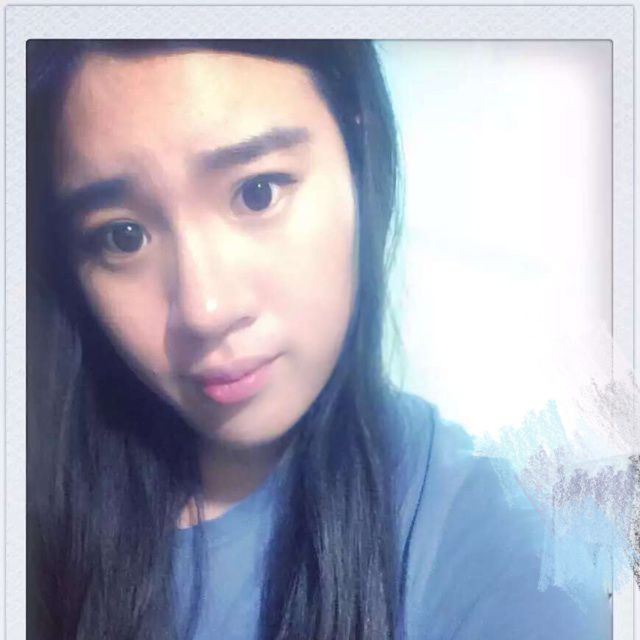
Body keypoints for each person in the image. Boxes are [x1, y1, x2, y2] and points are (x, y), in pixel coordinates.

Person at [26, 40, 610, 640]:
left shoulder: (512, 553)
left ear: (357, 152)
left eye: (257, 192)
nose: (205, 310)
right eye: (123, 237)